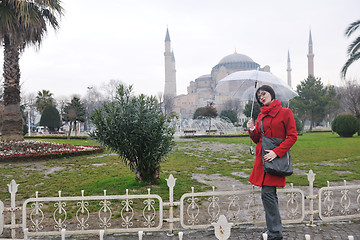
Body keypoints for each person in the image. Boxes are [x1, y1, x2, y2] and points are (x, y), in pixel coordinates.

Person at [246, 85, 297, 240]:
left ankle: (275, 233)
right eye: (258, 96)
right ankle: (273, 230)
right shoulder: (261, 115)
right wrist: (251, 129)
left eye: (264, 93)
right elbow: (257, 139)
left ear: (271, 94)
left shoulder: (285, 113)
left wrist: (277, 152)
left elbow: (292, 136)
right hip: (262, 160)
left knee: (267, 194)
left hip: (275, 159)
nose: (261, 97)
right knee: (268, 196)